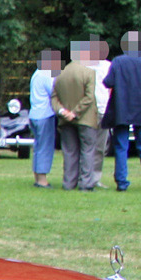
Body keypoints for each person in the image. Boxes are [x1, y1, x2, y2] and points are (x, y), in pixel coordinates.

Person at [104, 29, 141, 191]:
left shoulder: (118, 61)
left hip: (122, 108)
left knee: (121, 146)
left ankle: (122, 182)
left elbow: (108, 82)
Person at [52, 40, 105, 190]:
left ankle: (68, 183)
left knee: (69, 152)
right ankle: (86, 184)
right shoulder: (89, 73)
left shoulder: (60, 73)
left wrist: (64, 112)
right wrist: (75, 113)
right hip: (85, 119)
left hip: (65, 120)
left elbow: (54, 97)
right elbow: (89, 97)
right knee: (88, 151)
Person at [29, 48, 61, 187]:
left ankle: (37, 176)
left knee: (38, 147)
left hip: (34, 114)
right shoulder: (47, 75)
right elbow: (55, 91)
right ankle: (42, 180)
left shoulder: (36, 74)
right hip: (45, 115)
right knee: (45, 147)